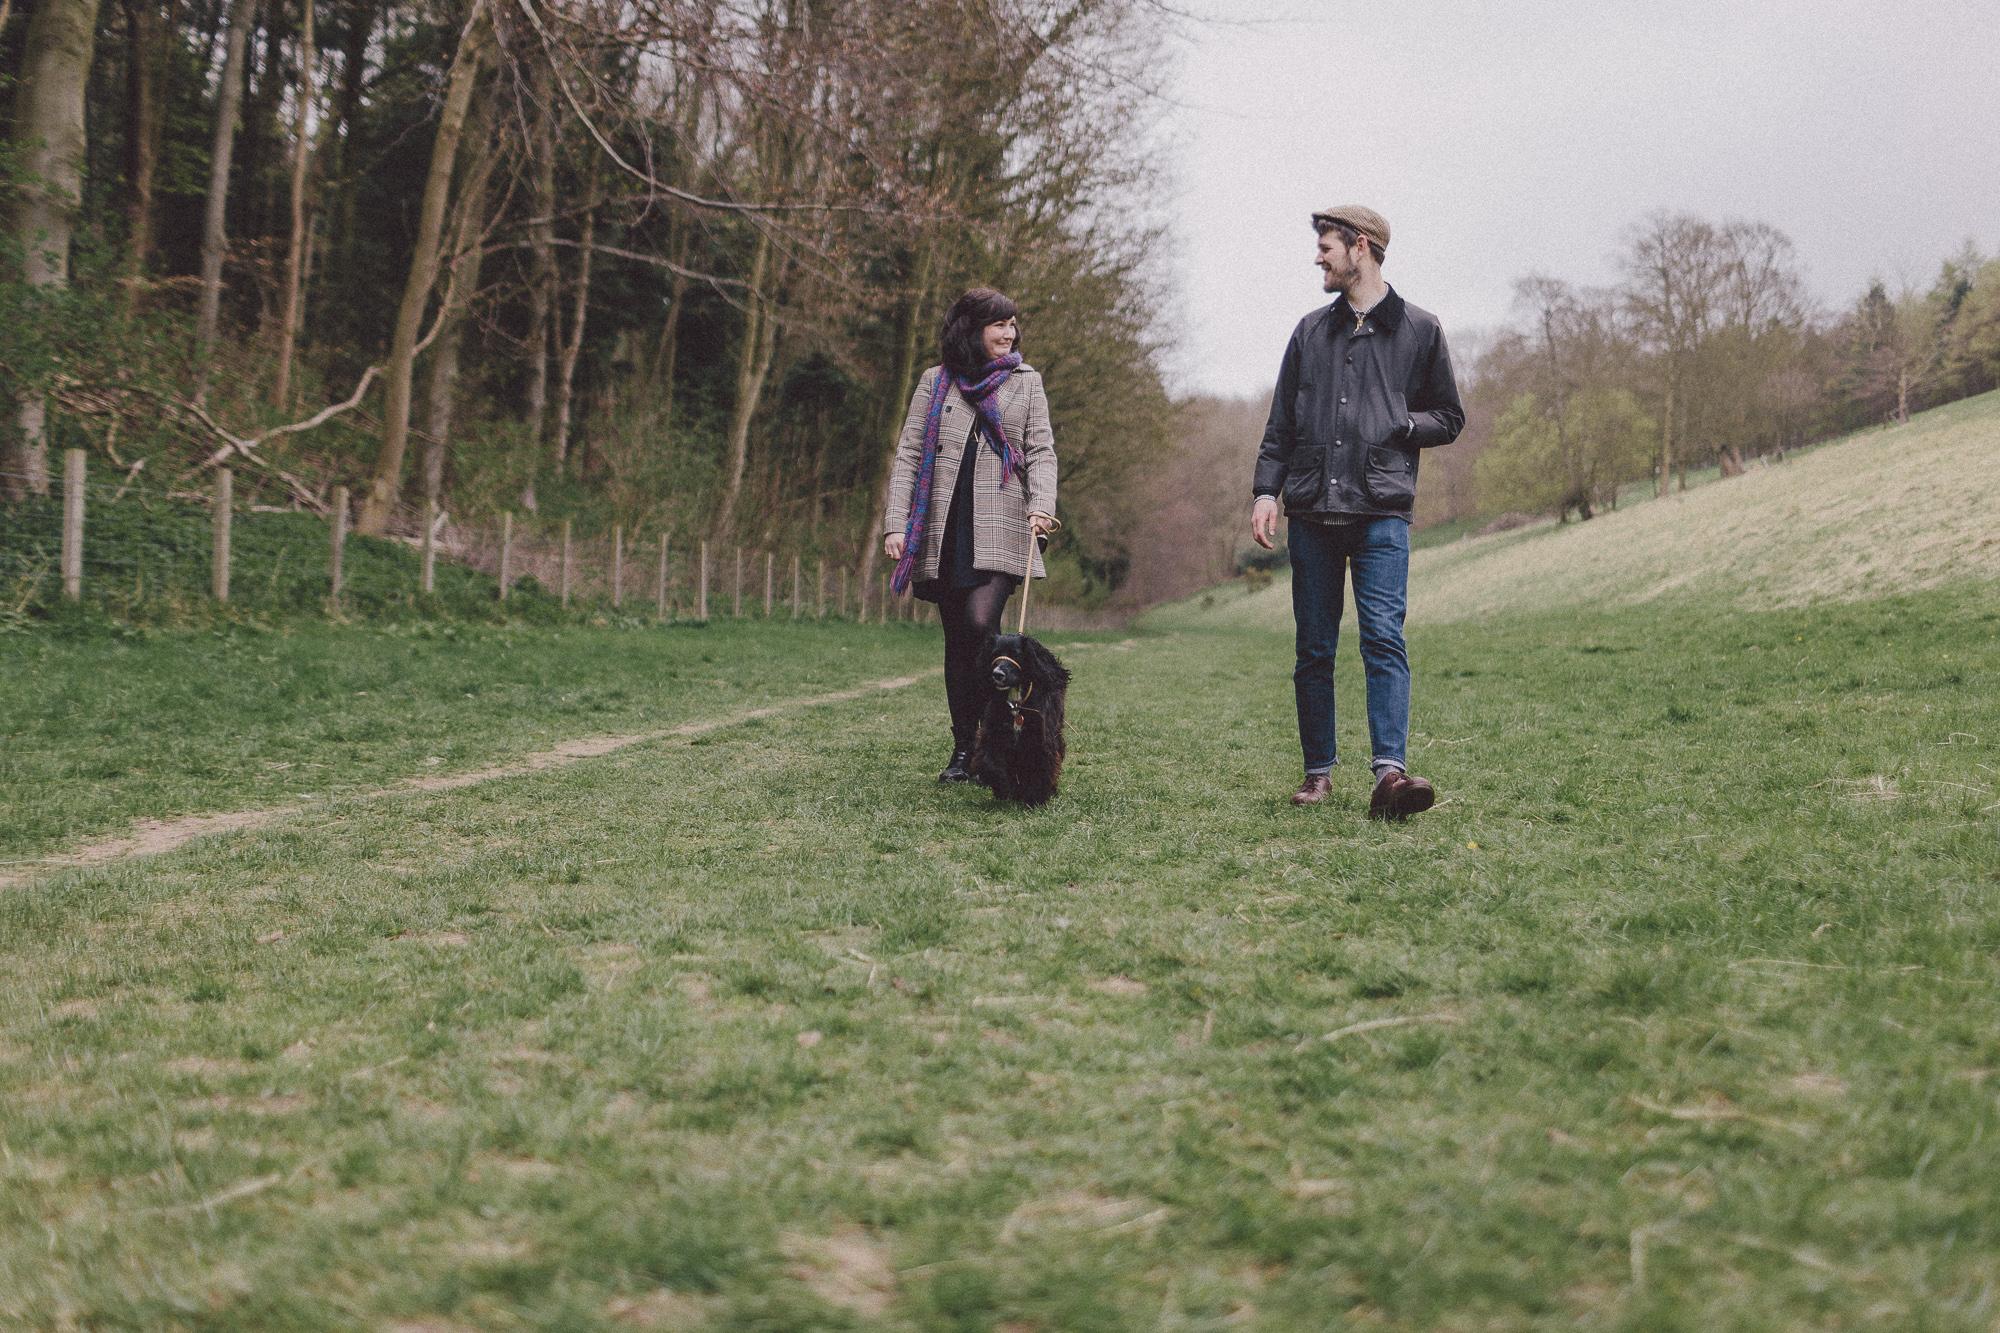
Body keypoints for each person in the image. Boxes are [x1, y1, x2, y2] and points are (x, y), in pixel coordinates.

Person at [1251, 205, 1464, 818]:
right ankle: (1317, 774)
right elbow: (1280, 426)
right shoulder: (1309, 332)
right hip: (1312, 510)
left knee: (1383, 639)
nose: (1318, 258)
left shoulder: (1420, 330)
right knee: (1313, 649)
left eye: (1327, 248)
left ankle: (1390, 776)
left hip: (1381, 512)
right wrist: (1265, 491)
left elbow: (1449, 417)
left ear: (1361, 247)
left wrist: (1405, 423)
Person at [883, 288, 1059, 782]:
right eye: (999, 324)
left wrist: (1042, 506)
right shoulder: (935, 381)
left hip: (1003, 524)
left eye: (1013, 324)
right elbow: (909, 452)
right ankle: (966, 750)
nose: (1009, 333)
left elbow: (1041, 450)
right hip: (943, 524)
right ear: (970, 329)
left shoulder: (1026, 381)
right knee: (958, 641)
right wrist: (897, 522)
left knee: (982, 624)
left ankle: (997, 738)